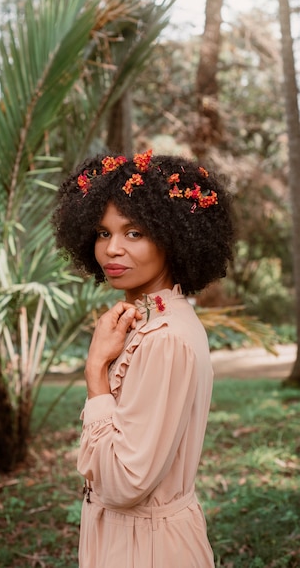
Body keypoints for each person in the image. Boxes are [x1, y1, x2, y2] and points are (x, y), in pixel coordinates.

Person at [53, 149, 234, 568]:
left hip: (147, 550)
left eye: (134, 233)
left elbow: (123, 483)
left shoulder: (165, 340)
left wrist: (96, 370)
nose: (112, 249)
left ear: (175, 236)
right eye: (102, 233)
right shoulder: (148, 323)